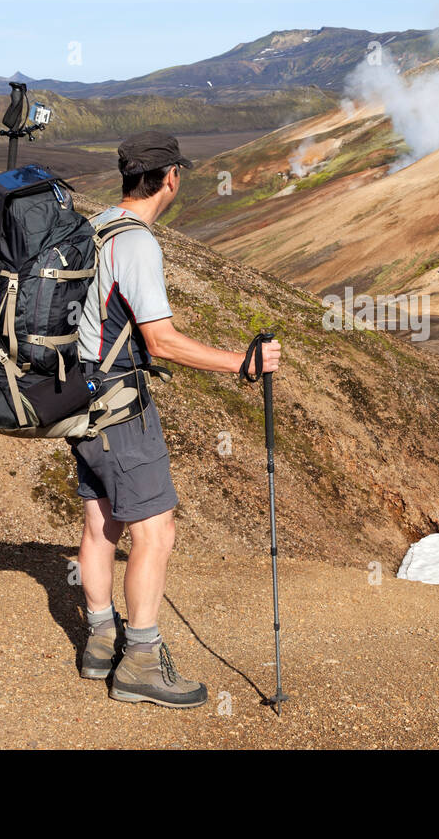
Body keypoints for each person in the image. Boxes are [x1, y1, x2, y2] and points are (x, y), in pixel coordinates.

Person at [70, 131, 281, 708]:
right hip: (119, 407)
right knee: (155, 531)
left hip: (78, 399)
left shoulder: (94, 226)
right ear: (171, 178)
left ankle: (99, 642)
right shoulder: (136, 243)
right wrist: (242, 362)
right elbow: (159, 342)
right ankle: (139, 661)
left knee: (100, 526)